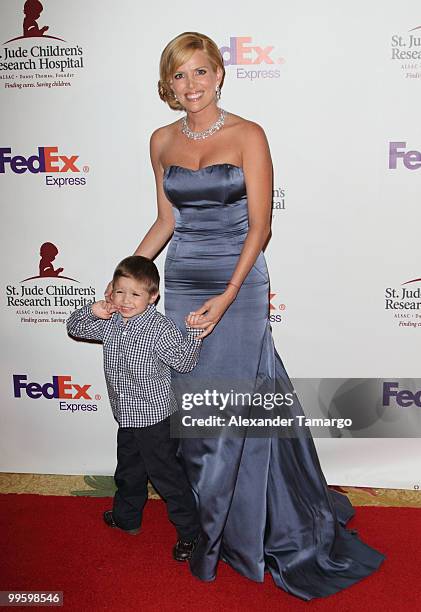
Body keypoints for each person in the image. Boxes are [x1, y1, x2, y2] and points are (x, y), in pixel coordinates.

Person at [115, 32, 384, 600]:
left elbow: (261, 225)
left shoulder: (248, 134)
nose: (191, 85)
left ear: (219, 74)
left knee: (233, 408)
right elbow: (166, 221)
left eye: (200, 72)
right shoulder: (161, 140)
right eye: (179, 75)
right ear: (167, 84)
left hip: (237, 283)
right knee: (196, 415)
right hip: (185, 283)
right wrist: (126, 279)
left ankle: (226, 537)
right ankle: (224, 523)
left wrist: (231, 294)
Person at [68, 255, 203, 561]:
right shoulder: (112, 321)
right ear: (111, 291)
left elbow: (184, 362)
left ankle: (192, 533)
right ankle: (127, 519)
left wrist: (194, 336)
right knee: (128, 472)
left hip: (155, 419)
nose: (126, 301)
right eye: (120, 292)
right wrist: (95, 310)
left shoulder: (159, 328)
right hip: (126, 416)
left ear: (153, 296)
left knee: (167, 478)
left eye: (135, 294)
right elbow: (75, 327)